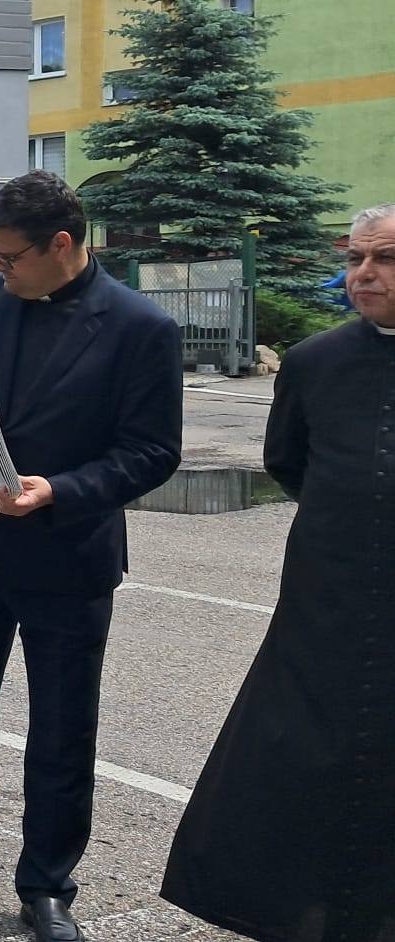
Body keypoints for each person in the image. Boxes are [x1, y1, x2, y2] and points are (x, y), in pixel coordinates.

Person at [0, 171, 183, 942]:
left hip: (68, 555)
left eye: (9, 257)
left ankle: (48, 885)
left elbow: (153, 452)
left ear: (63, 245)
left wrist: (57, 489)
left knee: (62, 727)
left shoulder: (139, 327)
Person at [159, 202, 395, 942]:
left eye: (384, 258)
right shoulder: (314, 363)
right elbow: (288, 463)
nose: (364, 273)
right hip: (327, 604)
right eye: (355, 257)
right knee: (305, 764)